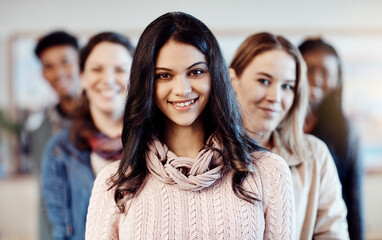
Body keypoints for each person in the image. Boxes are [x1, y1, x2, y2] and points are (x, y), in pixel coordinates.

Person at [86, 12, 295, 239]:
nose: (182, 89)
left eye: (196, 72)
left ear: (215, 76)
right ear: (147, 83)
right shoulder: (114, 184)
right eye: (164, 75)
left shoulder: (268, 172)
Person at [229, 32, 349, 239]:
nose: (275, 97)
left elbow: (332, 232)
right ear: (233, 80)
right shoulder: (204, 155)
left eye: (287, 86)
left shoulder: (314, 156)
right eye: (264, 81)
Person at [41, 32, 135, 240]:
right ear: (82, 77)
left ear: (136, 79)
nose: (108, 79)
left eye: (120, 69)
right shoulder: (59, 150)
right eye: (97, 69)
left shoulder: (156, 144)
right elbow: (60, 231)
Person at [299, 38, 363, 240]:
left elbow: (353, 196)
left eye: (326, 73)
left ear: (337, 80)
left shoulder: (345, 130)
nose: (316, 79)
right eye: (309, 69)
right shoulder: (274, 123)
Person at [33, 30, 81, 240]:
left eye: (65, 62)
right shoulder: (41, 130)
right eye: (48, 66)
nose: (58, 72)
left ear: (81, 63)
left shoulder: (110, 119)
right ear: (43, 73)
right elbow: (46, 199)